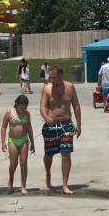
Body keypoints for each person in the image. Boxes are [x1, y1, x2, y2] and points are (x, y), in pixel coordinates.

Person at [39, 65, 81, 195]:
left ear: (61, 76)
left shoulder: (69, 87)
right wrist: (45, 117)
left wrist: (79, 124)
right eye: (50, 78)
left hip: (67, 124)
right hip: (51, 125)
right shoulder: (46, 88)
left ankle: (65, 185)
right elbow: (42, 106)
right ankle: (48, 175)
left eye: (54, 78)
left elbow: (76, 105)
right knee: (49, 153)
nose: (52, 81)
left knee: (66, 153)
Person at [1, 94, 35, 194]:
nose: (23, 110)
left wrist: (32, 143)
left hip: (24, 139)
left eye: (25, 108)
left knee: (23, 163)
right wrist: (3, 142)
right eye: (21, 107)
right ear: (16, 104)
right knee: (13, 164)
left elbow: (29, 128)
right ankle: (11, 179)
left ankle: (23, 186)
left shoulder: (27, 114)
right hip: (13, 141)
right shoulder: (10, 113)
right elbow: (3, 127)